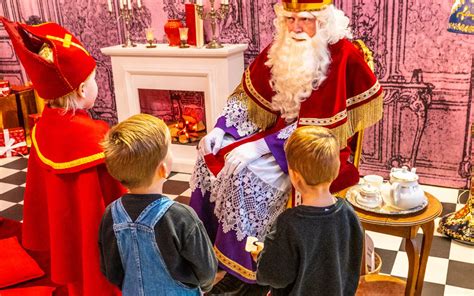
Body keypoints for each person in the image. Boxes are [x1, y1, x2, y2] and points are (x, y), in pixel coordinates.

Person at [189, 0, 383, 292]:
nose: (295, 27)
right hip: (275, 134)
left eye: (304, 19)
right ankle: (213, 254)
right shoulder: (281, 47)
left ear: (323, 19)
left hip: (320, 145)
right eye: (289, 18)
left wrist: (260, 148)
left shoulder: (343, 54)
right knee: (208, 158)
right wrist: (221, 129)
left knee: (244, 174)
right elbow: (248, 99)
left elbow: (324, 127)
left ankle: (251, 271)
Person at [0, 18, 126, 295]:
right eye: (94, 81)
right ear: (82, 90)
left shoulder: (44, 126)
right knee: (99, 271)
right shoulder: (94, 136)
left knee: (77, 268)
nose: (97, 87)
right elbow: (118, 197)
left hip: (66, 232)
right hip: (97, 237)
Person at [99, 114, 218, 295]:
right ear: (163, 169)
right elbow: (206, 272)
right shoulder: (182, 216)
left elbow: (111, 270)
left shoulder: (111, 213)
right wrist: (203, 288)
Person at [252, 126, 364, 295]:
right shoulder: (349, 213)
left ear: (295, 176)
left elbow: (273, 276)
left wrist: (261, 257)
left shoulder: (288, 224)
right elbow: (352, 262)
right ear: (336, 170)